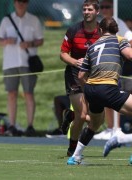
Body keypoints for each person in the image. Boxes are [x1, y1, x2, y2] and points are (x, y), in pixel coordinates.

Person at [67, 17, 132, 165]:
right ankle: (121, 138)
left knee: (94, 125)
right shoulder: (119, 40)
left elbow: (81, 75)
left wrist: (88, 92)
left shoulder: (92, 46)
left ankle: (75, 157)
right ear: (116, 30)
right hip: (107, 88)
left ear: (101, 31)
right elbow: (129, 55)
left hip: (91, 89)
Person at [0, 0, 44, 137]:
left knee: (29, 93)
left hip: (27, 62)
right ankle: (11, 125)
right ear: (14, 3)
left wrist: (31, 43)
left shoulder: (34, 20)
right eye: (18, 1)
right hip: (10, 62)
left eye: (23, 1)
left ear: (27, 3)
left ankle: (30, 126)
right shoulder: (6, 20)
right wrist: (6, 41)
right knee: (11, 93)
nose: (21, 4)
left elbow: (40, 40)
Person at [60, 0, 100, 156]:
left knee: (94, 118)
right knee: (82, 115)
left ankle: (69, 115)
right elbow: (63, 54)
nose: (86, 12)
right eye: (84, 9)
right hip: (74, 75)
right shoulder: (73, 30)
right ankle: (72, 150)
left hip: (95, 75)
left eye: (90, 9)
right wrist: (75, 62)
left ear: (97, 12)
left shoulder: (103, 32)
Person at [93, 0, 132, 140]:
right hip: (102, 66)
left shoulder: (118, 22)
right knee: (106, 96)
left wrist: (119, 51)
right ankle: (111, 127)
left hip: (115, 66)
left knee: (114, 96)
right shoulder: (98, 21)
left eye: (107, 7)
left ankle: (116, 128)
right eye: (101, 7)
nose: (104, 9)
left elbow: (130, 39)